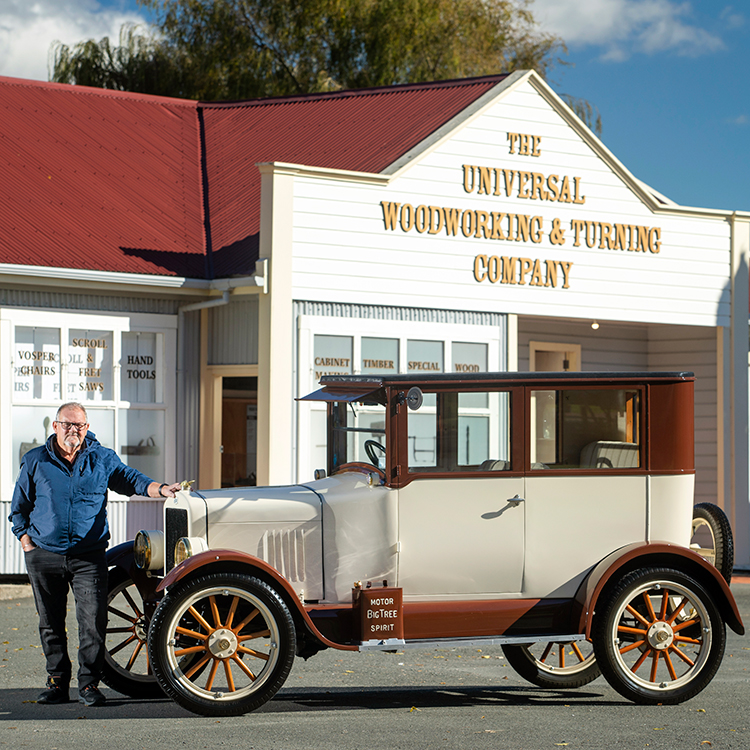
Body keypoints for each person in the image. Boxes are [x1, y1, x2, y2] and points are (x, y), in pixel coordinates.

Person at [8, 402, 182, 707]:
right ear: (55, 426)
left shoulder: (102, 459)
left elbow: (132, 481)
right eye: (67, 424)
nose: (73, 430)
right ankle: (57, 683)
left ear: (87, 428)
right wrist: (26, 543)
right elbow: (18, 508)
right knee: (50, 623)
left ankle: (89, 685)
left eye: (79, 425)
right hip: (44, 555)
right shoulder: (35, 460)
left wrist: (163, 488)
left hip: (89, 558)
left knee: (93, 622)